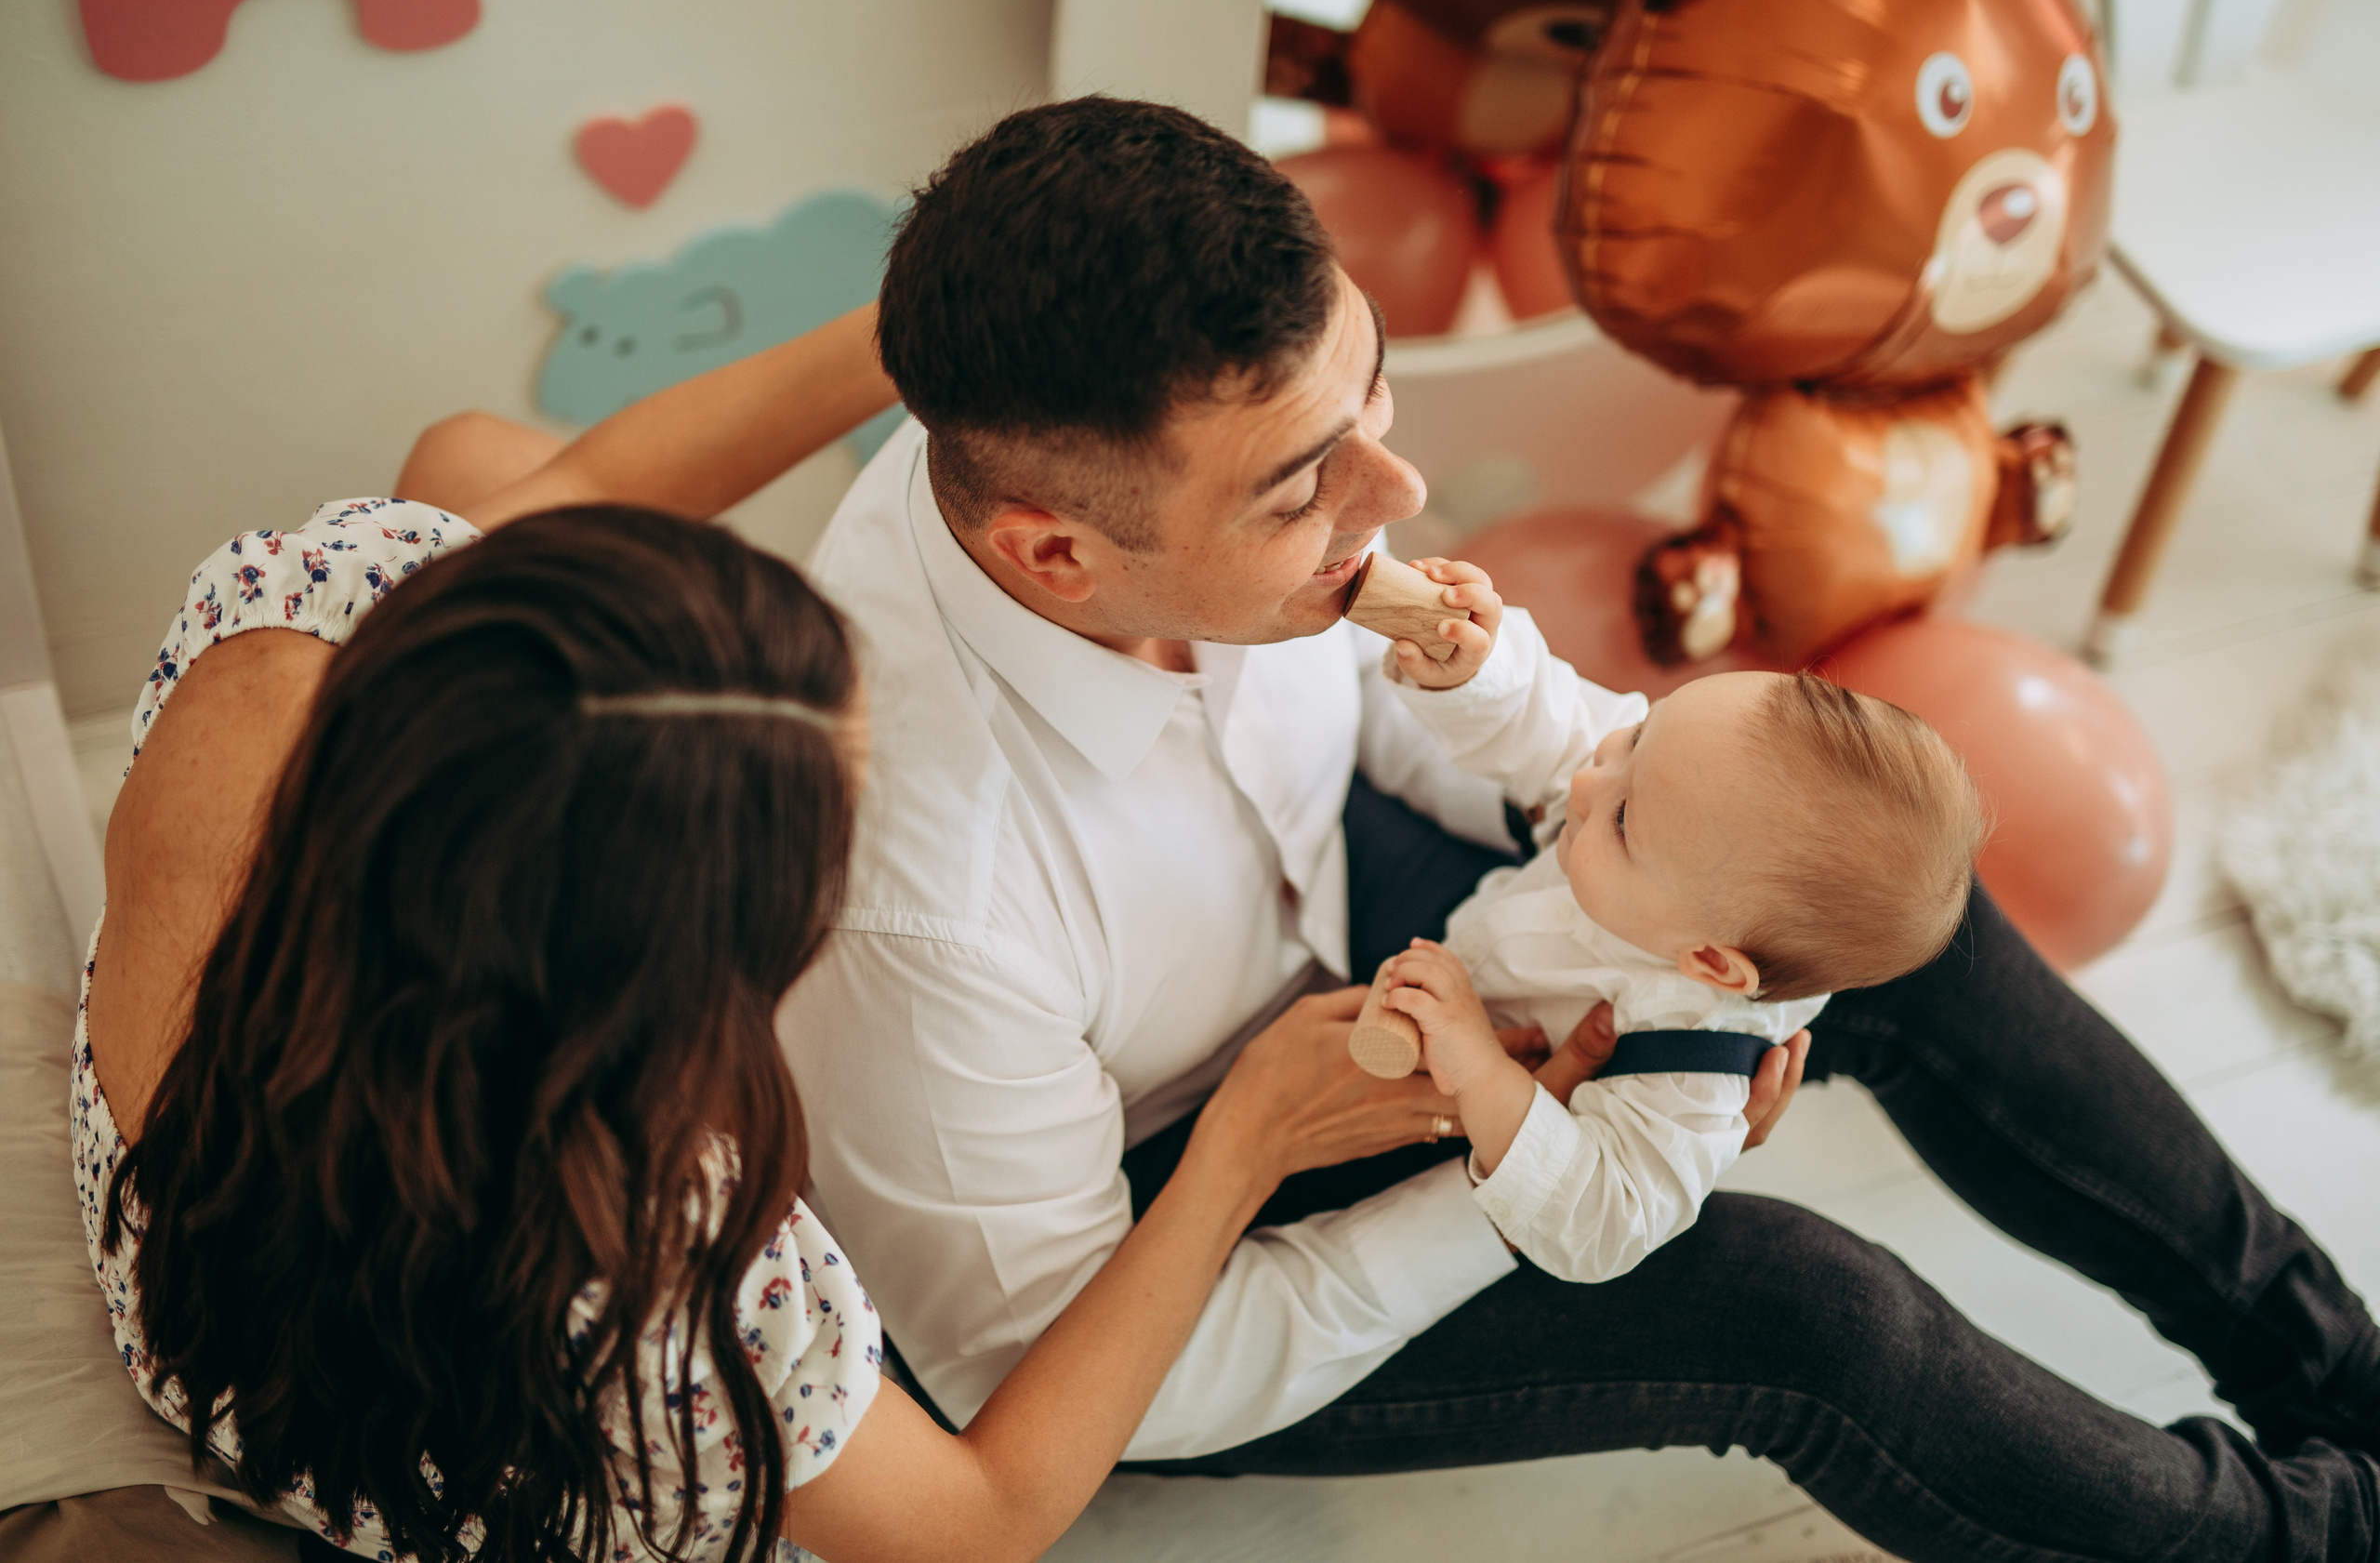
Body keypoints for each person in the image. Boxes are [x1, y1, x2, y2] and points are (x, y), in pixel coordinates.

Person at [782, 96, 2380, 1560]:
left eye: (1373, 388)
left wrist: (1699, 885)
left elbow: (1412, 726)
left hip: (1355, 908)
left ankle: (2343, 1372)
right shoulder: (925, 913)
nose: (1397, 493)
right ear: (1054, 557)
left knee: (1865, 879)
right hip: (1175, 1228)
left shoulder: (1207, 504)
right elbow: (1055, 1374)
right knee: (1813, 1318)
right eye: (1301, 487)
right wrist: (1503, 1165)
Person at [67, 308, 1448, 1563]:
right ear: (654, 982)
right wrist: (1240, 1146)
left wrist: (932, 330)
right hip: (419, 1438)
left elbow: (569, 494)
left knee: (469, 455)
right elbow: (979, 1520)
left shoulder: (289, 631)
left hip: (215, 1217)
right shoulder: (659, 1258)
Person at [1362, 563, 1983, 1283]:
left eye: (1623, 820)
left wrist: (1478, 1068)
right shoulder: (1676, 796)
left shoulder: (1689, 1074)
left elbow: (1602, 1225)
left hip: (1454, 1129)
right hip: (1460, 938)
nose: (1592, 777)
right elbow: (1560, 724)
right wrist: (1477, 668)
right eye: (1639, 732)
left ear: (1713, 964)